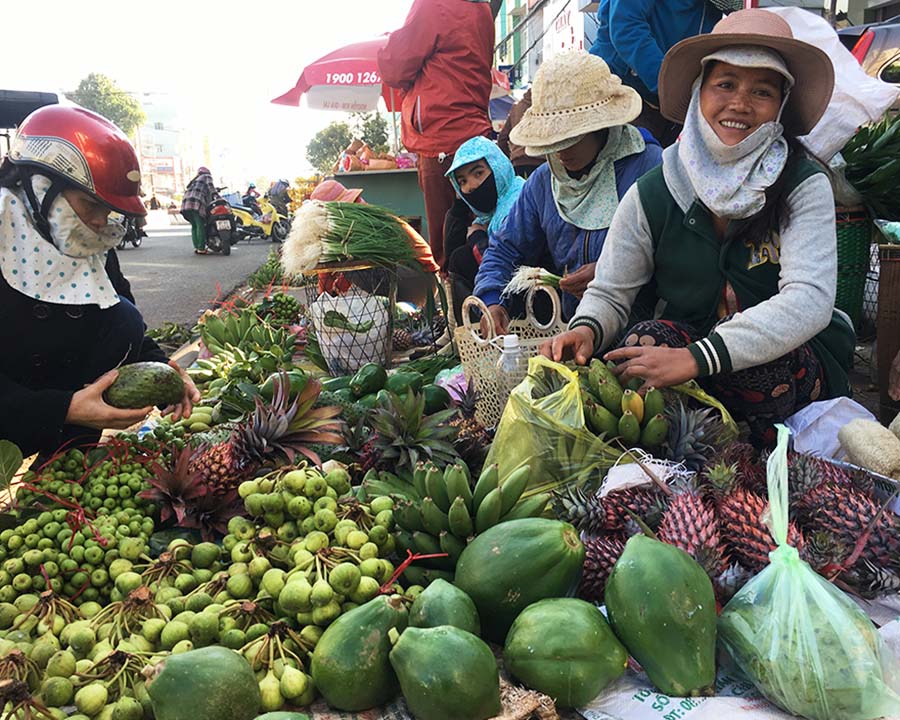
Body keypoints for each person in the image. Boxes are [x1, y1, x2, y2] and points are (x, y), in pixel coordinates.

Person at [545, 10, 854, 446]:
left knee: (764, 371)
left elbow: (809, 299)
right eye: (725, 84)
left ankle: (761, 464)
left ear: (781, 105)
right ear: (698, 92)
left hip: (791, 359)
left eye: (762, 91)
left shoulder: (802, 184)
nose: (740, 103)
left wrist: (698, 358)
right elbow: (612, 289)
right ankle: (691, 463)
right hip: (691, 349)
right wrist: (585, 329)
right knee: (639, 345)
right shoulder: (656, 189)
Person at [0, 105, 199, 457]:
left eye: (107, 209)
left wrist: (164, 372)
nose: (99, 220)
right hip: (13, 405)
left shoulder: (88, 241)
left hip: (64, 403)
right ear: (40, 187)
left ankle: (65, 460)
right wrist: (62, 408)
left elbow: (121, 316)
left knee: (123, 316)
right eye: (90, 205)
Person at [474, 50, 663, 336]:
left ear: (601, 127)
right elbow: (505, 248)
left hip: (646, 336)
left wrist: (611, 272)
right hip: (575, 333)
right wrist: (491, 299)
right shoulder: (542, 183)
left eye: (572, 137)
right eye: (554, 140)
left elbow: (678, 257)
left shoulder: (649, 168)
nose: (561, 151)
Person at [378, 0, 494, 270]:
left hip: (440, 136)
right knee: (484, 230)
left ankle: (455, 306)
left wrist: (390, 43)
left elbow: (394, 67)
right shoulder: (483, 9)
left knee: (446, 246)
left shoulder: (432, 4)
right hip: (477, 131)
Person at [589, 0, 721, 146]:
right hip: (626, 89)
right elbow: (626, 27)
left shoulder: (714, 6)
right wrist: (670, 86)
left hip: (676, 98)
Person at [443, 136, 525, 323]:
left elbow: (504, 260)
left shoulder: (518, 201)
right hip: (501, 293)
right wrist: (459, 205)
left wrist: (477, 237)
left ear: (498, 168)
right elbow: (450, 253)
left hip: (527, 298)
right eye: (462, 181)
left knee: (463, 257)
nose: (470, 187)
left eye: (478, 173)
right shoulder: (488, 215)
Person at [496, 89, 545, 178]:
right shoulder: (544, 107)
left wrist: (510, 158)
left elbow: (502, 138)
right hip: (540, 162)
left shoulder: (516, 108)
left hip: (518, 162)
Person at [181, 167, 218, 254]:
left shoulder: (194, 180)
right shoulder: (206, 176)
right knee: (200, 225)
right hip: (195, 203)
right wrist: (217, 196)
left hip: (186, 204)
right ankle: (201, 248)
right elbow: (211, 187)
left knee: (194, 226)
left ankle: (197, 247)